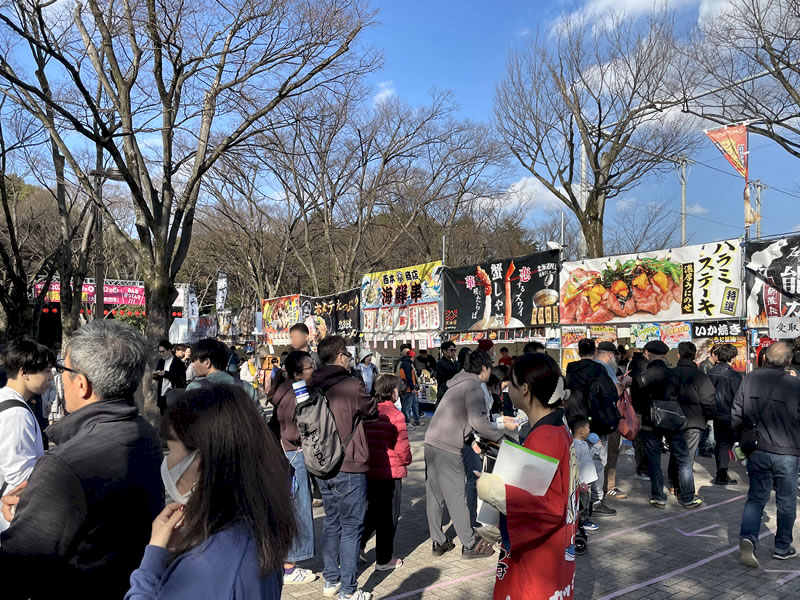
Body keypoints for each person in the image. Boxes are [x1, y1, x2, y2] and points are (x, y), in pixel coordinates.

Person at [0, 321, 163, 599]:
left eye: (62, 369)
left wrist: (31, 510)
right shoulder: (144, 433)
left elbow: (19, 565)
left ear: (82, 384)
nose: (56, 377)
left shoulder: (67, 464)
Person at [124, 384, 297, 598]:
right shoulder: (258, 526)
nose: (166, 461)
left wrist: (153, 560)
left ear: (200, 459)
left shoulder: (205, 564)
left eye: (171, 447)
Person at [476, 352, 577, 600]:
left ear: (525, 389)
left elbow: (546, 506)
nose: (506, 387)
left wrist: (492, 489)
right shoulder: (557, 427)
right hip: (555, 545)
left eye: (510, 382)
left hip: (539, 551)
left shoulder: (544, 437)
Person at [312, 335, 378, 600]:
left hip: (319, 462)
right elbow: (372, 413)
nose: (350, 359)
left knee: (331, 522)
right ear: (340, 356)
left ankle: (331, 580)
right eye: (348, 355)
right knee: (351, 527)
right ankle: (349, 591)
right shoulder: (351, 384)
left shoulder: (309, 383)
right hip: (349, 462)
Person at [424, 349, 502, 559]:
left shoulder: (456, 384)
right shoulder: (474, 387)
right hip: (449, 445)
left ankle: (438, 541)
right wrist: (501, 436)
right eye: (490, 367)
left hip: (431, 441)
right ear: (484, 369)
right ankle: (468, 545)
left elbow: (459, 418)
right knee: (457, 496)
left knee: (435, 495)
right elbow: (478, 421)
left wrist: (469, 439)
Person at [733, 341, 800, 568]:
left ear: (765, 358)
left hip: (758, 449)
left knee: (756, 497)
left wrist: (743, 437)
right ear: (788, 361)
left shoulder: (750, 379)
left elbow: (736, 414)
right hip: (788, 451)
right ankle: (782, 547)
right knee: (786, 500)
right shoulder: (795, 384)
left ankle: (748, 537)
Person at [266, 351, 318, 585]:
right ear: (298, 373)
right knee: (299, 508)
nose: (313, 370)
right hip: (293, 455)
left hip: (285, 453)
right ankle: (290, 565)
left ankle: (286, 562)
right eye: (309, 367)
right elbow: (293, 428)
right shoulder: (297, 392)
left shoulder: (284, 388)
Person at [631, 340, 702, 510]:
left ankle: (658, 497)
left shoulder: (640, 378)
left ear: (647, 353)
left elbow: (637, 404)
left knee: (654, 460)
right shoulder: (675, 374)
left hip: (649, 422)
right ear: (664, 355)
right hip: (673, 420)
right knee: (683, 458)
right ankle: (687, 497)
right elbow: (684, 397)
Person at [0, 338, 55, 537]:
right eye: (46, 371)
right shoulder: (16, 414)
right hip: (11, 517)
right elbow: (20, 477)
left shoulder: (8, 402)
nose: (51, 378)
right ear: (24, 372)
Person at [360, 374, 412, 570]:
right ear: (392, 391)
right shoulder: (396, 415)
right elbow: (403, 448)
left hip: (369, 470)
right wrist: (407, 461)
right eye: (397, 389)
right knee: (388, 517)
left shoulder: (368, 411)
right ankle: (384, 558)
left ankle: (359, 545)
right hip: (390, 472)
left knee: (372, 512)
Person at [564, 338, 618, 516]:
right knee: (598, 461)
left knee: (577, 460)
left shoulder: (571, 370)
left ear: (578, 352)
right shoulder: (598, 369)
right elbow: (611, 392)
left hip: (575, 421)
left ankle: (579, 499)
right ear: (594, 352)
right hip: (597, 422)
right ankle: (596, 499)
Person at [672, 342, 716, 495]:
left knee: (675, 454)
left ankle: (674, 485)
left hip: (672, 420)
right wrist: (707, 415)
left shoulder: (671, 373)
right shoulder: (700, 376)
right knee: (687, 459)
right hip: (694, 422)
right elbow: (709, 400)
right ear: (695, 355)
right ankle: (686, 493)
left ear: (679, 355)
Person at [707, 344, 743, 486]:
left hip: (714, 413)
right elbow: (739, 398)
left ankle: (720, 472)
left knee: (720, 443)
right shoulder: (734, 376)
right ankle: (722, 474)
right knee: (726, 444)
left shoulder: (710, 373)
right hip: (729, 414)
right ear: (732, 357)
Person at [595, 341, 626, 500]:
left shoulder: (587, 366)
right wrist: (623, 384)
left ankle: (595, 490)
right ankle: (609, 486)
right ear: (610, 355)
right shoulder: (606, 367)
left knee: (592, 455)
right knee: (610, 452)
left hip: (589, 417)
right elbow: (616, 390)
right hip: (608, 417)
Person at [572, 419, 599, 532]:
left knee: (587, 501)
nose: (589, 431)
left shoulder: (584, 443)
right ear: (581, 431)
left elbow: (589, 456)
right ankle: (583, 522)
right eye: (588, 428)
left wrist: (597, 447)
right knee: (583, 503)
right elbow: (576, 465)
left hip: (589, 478)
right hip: (584, 480)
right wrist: (581, 481)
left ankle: (584, 519)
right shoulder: (576, 446)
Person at [153, 340, 187, 415]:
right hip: (162, 396)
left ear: (169, 350)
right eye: (160, 352)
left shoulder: (178, 363)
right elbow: (159, 376)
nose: (161, 354)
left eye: (163, 351)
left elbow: (181, 380)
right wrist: (156, 375)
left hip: (174, 396)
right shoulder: (161, 361)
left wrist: (167, 374)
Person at [397, 348, 420, 429]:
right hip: (408, 388)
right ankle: (406, 423)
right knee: (407, 406)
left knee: (410, 405)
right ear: (413, 357)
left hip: (406, 387)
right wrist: (412, 387)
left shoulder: (402, 363)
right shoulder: (407, 364)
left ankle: (412, 421)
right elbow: (409, 377)